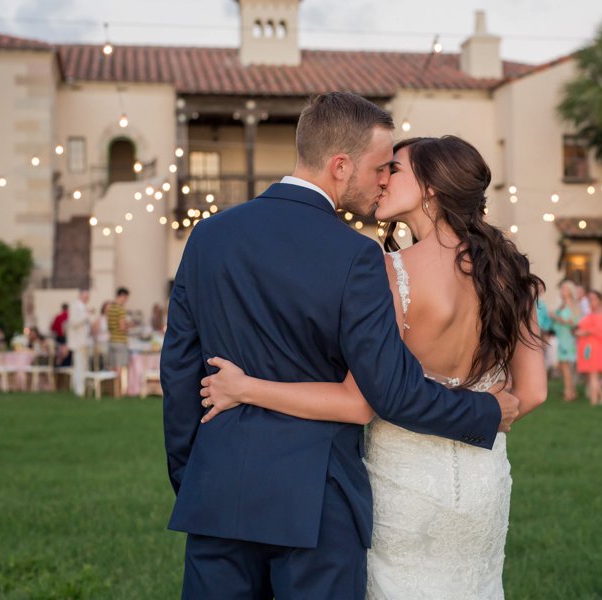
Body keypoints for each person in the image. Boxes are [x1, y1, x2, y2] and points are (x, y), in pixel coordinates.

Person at [162, 94, 534, 600]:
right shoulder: (356, 255)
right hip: (319, 502)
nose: (383, 179)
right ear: (341, 166)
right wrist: (485, 412)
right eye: (381, 167)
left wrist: (195, 475)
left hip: (220, 490)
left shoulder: (207, 237)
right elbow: (389, 393)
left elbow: (179, 369)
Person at [575, 290, 602, 405]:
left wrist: (584, 332)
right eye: (589, 299)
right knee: (591, 374)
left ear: (599, 300)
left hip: (595, 347)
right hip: (587, 346)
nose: (591, 301)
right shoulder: (590, 313)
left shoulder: (601, 313)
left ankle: (593, 401)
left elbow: (600, 330)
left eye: (594, 299)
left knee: (593, 374)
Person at [550, 280, 582, 401]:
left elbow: (574, 322)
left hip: (567, 339)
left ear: (569, 291)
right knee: (564, 367)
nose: (562, 291)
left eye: (564, 288)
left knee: (566, 367)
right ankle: (571, 390)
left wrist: (556, 317)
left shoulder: (572, 305)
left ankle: (569, 393)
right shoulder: (562, 305)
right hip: (561, 337)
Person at [67, 289, 92, 396]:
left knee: (83, 366)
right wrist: (86, 315)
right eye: (85, 296)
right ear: (80, 295)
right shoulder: (75, 306)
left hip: (85, 341)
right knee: (79, 366)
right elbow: (73, 322)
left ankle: (83, 388)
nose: (87, 298)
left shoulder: (84, 307)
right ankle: (79, 390)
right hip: (78, 342)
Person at [107, 288, 130, 393]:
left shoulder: (110, 308)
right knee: (120, 368)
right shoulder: (121, 309)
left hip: (111, 340)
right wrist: (128, 326)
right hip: (120, 341)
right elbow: (122, 326)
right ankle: (119, 391)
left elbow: (110, 325)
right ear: (122, 296)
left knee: (112, 367)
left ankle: (111, 389)